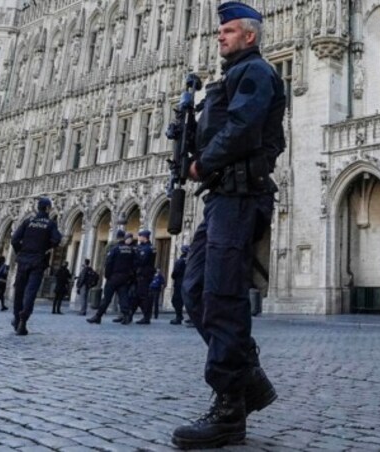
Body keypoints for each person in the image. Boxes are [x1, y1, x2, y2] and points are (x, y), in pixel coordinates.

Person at [171, 3, 286, 449]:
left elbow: (241, 127)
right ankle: (248, 378)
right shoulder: (233, 76)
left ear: (250, 36)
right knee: (195, 290)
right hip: (222, 197)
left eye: (229, 30)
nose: (220, 35)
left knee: (221, 295)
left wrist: (203, 162)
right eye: (220, 30)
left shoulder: (256, 73)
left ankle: (229, 409)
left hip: (241, 196)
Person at [10, 197, 62, 335]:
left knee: (19, 291)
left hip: (23, 260)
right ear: (47, 209)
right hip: (38, 260)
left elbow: (14, 239)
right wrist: (46, 247)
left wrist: (20, 252)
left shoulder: (28, 222)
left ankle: (16, 318)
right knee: (31, 292)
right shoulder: (50, 224)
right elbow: (57, 239)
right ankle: (23, 319)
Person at [86, 230, 136, 324]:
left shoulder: (115, 249)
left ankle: (98, 316)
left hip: (114, 277)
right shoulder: (131, 250)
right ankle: (126, 316)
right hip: (125, 277)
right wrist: (130, 277)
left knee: (107, 298)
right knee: (123, 297)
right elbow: (134, 265)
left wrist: (107, 275)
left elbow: (109, 263)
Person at [134, 229, 157, 325]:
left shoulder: (147, 249)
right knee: (140, 295)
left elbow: (141, 261)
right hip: (144, 273)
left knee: (143, 295)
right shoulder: (147, 247)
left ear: (144, 237)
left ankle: (146, 316)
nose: (138, 238)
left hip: (144, 274)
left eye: (140, 236)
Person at [170, 245, 189, 325]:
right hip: (189, 283)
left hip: (179, 283)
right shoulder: (191, 260)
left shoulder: (180, 261)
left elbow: (174, 273)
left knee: (176, 301)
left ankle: (178, 317)